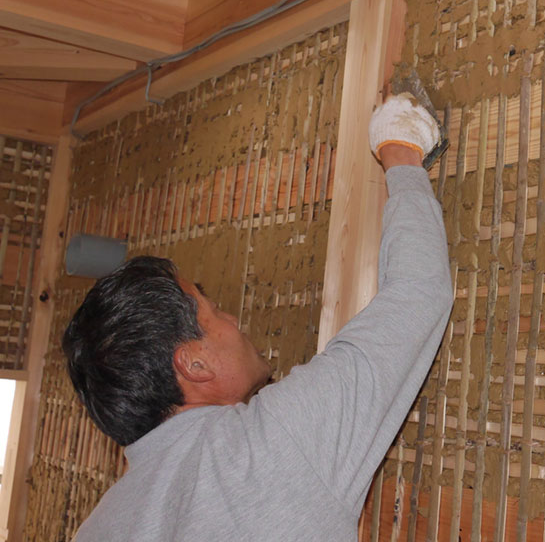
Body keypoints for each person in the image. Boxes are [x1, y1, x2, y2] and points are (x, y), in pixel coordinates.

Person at [62, 94, 453, 541]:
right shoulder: (267, 447)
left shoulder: (96, 529)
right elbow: (416, 294)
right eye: (213, 311)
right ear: (194, 364)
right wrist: (400, 147)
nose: (232, 320)